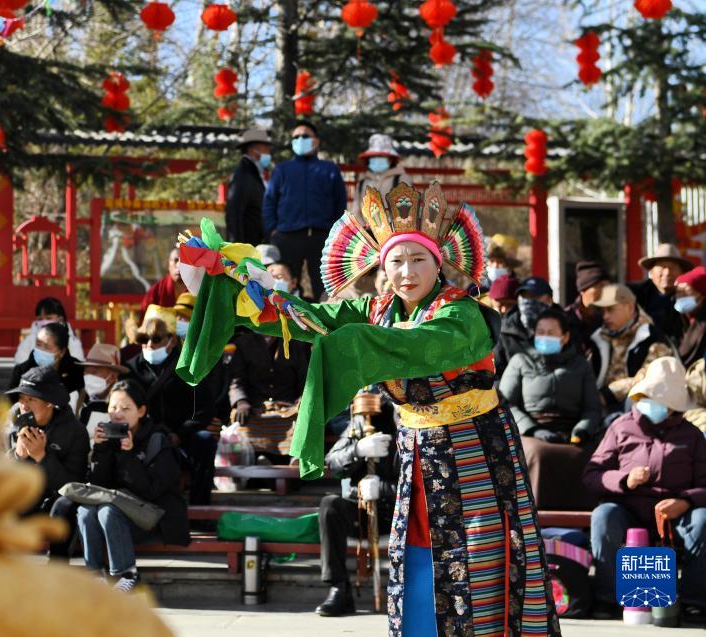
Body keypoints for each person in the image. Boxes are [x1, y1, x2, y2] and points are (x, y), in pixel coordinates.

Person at [177, 181, 561, 636]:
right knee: (416, 554)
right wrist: (247, 288)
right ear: (381, 265)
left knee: (479, 560)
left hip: (474, 452)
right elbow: (311, 319)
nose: (406, 272)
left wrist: (349, 339)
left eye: (418, 260)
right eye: (395, 261)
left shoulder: (462, 314)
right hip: (418, 451)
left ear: (438, 263)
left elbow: (413, 347)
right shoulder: (378, 309)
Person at [582, 357, 706, 623]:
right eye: (648, 396)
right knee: (604, 515)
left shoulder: (693, 436)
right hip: (628, 509)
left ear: (674, 406)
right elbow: (592, 475)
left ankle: (694, 602)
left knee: (703, 520)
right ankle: (607, 598)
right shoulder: (620, 427)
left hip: (675, 515)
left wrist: (685, 501)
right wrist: (624, 480)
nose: (652, 402)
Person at [77, 380, 190, 592]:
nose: (118, 413)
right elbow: (99, 487)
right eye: (113, 407)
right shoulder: (109, 437)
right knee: (85, 511)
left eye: (125, 408)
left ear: (141, 411)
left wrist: (128, 455)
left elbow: (151, 492)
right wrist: (101, 450)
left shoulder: (158, 440)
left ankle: (128, 575)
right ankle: (95, 575)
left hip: (154, 518)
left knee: (108, 511)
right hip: (117, 518)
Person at [499, 308, 601, 510]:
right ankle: (536, 514)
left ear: (565, 337)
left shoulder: (581, 365)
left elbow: (592, 408)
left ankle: (579, 518)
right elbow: (505, 403)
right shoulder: (520, 360)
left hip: (570, 431)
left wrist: (582, 430)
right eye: (541, 332)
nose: (545, 337)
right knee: (540, 454)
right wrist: (534, 429)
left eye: (551, 333)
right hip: (530, 430)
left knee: (586, 455)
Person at [125, 305, 220, 505]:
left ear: (172, 340)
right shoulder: (131, 368)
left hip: (183, 436)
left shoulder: (189, 366)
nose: (149, 344)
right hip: (143, 435)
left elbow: (205, 408)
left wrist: (180, 434)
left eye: (156, 339)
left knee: (204, 441)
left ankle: (200, 507)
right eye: (144, 339)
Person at [316, 396, 397, 617]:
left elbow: (423, 484)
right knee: (330, 505)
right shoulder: (361, 423)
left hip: (398, 513)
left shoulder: (409, 425)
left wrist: (384, 489)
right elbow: (333, 462)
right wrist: (357, 450)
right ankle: (339, 587)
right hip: (360, 511)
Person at [4, 365, 89, 548]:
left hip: (53, 504)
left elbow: (73, 486)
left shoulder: (75, 431)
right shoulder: (11, 423)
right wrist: (17, 456)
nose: (23, 405)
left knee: (64, 506)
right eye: (21, 398)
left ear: (50, 402)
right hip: (18, 499)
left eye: (31, 399)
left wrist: (42, 457)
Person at [262, 120, 347, 301]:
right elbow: (269, 202)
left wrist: (336, 235)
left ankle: (326, 319)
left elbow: (340, 204)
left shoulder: (330, 169)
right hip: (287, 236)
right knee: (284, 285)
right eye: (296, 137)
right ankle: (284, 319)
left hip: (322, 238)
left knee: (326, 288)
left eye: (305, 136)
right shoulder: (282, 169)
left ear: (316, 141)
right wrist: (273, 231)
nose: (300, 140)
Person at [588, 283, 673, 417]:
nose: (605, 317)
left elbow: (652, 377)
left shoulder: (652, 337)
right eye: (603, 311)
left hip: (638, 411)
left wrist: (609, 394)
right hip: (596, 409)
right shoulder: (599, 337)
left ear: (630, 308)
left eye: (610, 310)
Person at [228, 329, 310, 425]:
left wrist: (302, 402)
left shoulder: (296, 343)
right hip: (254, 409)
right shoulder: (243, 343)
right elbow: (236, 381)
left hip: (290, 409)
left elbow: (306, 382)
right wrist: (241, 401)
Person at [629, 243, 692, 346]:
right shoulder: (635, 293)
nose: (667, 272)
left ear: (681, 272)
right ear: (651, 271)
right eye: (662, 266)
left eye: (672, 267)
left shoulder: (689, 296)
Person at [9, 322, 84, 405]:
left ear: (62, 352)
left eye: (46, 347)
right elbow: (10, 402)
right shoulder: (22, 370)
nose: (40, 350)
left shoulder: (77, 371)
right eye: (38, 344)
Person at [493, 276, 554, 378]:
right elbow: (494, 376)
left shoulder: (564, 328)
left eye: (534, 297)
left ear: (549, 301)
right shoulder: (504, 332)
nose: (528, 301)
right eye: (524, 296)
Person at [225, 129, 272, 246]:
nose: (268, 153)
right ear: (253, 150)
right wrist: (236, 247)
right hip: (247, 245)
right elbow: (234, 213)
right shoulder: (243, 174)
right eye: (266, 149)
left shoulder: (254, 173)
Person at [78, 343, 129, 439]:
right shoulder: (78, 399)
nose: (88, 376)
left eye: (94, 372)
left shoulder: (124, 406)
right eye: (86, 371)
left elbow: (118, 439)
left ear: (113, 376)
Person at [14, 297, 85, 365]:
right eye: (40, 319)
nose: (44, 322)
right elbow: (20, 363)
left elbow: (77, 365)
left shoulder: (72, 342)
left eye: (48, 318)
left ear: (60, 319)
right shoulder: (29, 341)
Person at [563, 260, 608, 356]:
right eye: (600, 286)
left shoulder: (610, 319)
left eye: (608, 287)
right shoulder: (565, 320)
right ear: (583, 290)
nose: (605, 292)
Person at [355, 133, 413, 201]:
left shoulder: (401, 180)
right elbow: (356, 206)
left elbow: (408, 205)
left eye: (381, 156)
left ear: (390, 159)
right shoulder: (362, 182)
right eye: (373, 156)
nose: (376, 159)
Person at [140, 248, 187, 319]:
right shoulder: (156, 290)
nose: (179, 265)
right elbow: (143, 318)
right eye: (176, 260)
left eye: (183, 261)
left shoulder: (197, 290)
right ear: (168, 264)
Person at [674, 265, 706, 368]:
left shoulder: (702, 322)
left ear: (701, 294)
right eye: (678, 291)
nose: (680, 295)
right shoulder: (680, 319)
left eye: (686, 290)